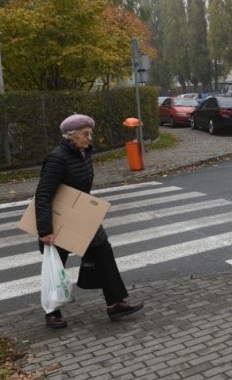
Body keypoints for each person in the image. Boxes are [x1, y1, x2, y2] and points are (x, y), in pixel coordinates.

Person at [35, 113, 143, 329]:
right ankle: (52, 311)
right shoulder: (57, 158)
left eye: (89, 133)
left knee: (104, 252)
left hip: (81, 214)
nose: (89, 137)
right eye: (85, 134)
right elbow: (43, 194)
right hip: (61, 221)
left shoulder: (83, 154)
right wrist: (45, 229)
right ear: (71, 135)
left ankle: (115, 304)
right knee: (57, 265)